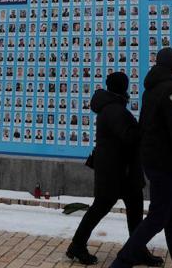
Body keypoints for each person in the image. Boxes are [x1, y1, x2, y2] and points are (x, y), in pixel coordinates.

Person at [110, 47, 172, 268]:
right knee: (157, 217)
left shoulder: (150, 90)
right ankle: (122, 261)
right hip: (163, 164)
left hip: (153, 161)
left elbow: (145, 127)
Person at [67, 72, 163, 266]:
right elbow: (130, 137)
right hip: (118, 172)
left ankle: (136, 249)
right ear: (123, 87)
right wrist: (146, 124)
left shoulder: (111, 108)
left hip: (117, 170)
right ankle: (78, 246)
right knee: (103, 209)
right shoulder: (115, 111)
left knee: (129, 209)